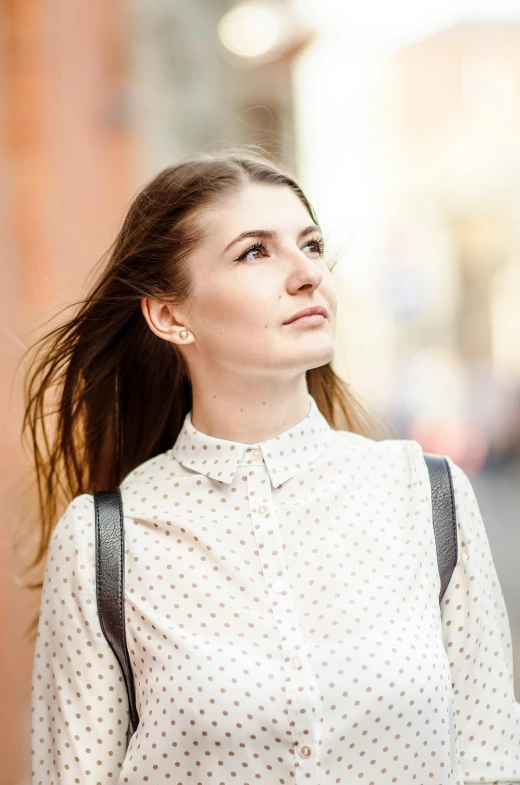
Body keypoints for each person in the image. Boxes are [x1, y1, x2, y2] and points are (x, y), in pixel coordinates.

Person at [25, 150, 520, 784]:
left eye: (311, 246)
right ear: (169, 315)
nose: (306, 274)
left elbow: (491, 759)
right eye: (255, 252)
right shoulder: (104, 543)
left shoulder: (427, 497)